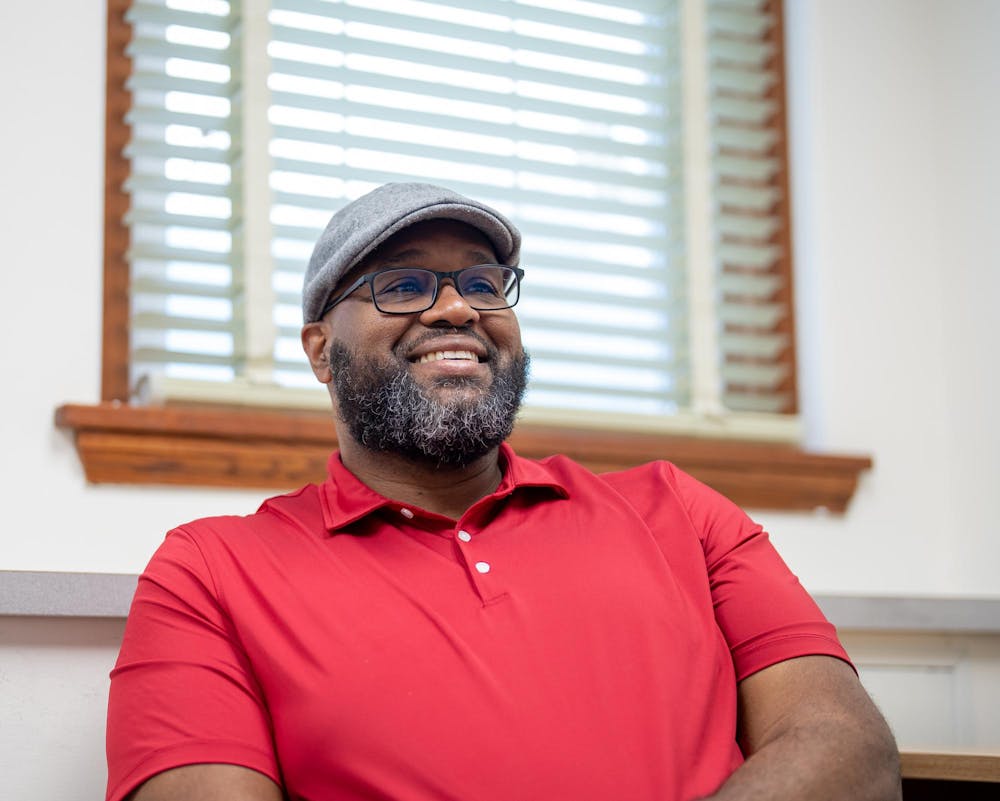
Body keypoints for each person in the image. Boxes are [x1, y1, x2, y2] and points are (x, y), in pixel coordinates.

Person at [106, 182, 900, 801]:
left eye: (484, 283)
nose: (457, 308)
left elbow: (849, 748)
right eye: (404, 284)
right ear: (320, 350)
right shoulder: (210, 572)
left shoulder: (679, 511)